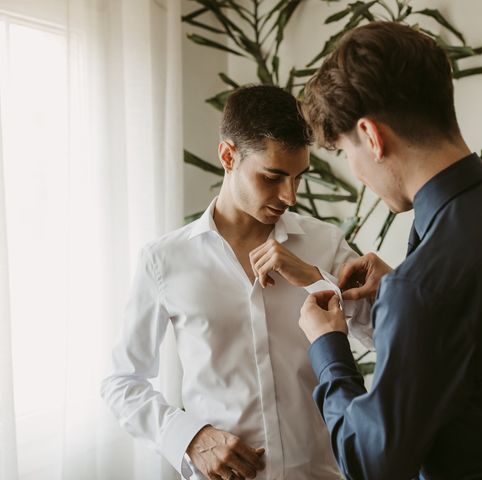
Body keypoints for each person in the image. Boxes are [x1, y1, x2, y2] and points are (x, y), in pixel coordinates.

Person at [297, 21, 482, 480]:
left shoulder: (423, 285)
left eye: (344, 152)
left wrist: (328, 348)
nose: (356, 172)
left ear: (372, 136)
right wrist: (406, 289)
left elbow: (372, 463)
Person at [101, 85, 372, 480]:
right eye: (273, 177)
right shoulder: (163, 261)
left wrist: (316, 280)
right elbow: (121, 380)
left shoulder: (324, 244)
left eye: (298, 178)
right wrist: (190, 438)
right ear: (228, 156)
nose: (290, 196)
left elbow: (389, 336)